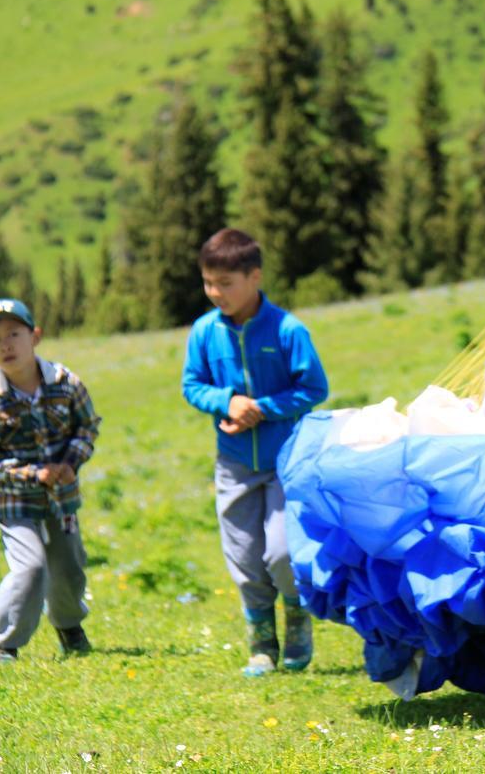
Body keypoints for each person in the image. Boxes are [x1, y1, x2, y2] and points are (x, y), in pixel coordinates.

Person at [182, 228, 329, 677]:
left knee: (283, 555)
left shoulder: (288, 329)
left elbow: (314, 387)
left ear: (255, 276)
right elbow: (192, 385)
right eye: (209, 283)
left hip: (286, 459)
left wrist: (262, 409)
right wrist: (225, 402)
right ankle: (261, 643)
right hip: (234, 465)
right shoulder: (205, 332)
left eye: (225, 283)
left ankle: (297, 618)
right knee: (245, 559)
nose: (215, 293)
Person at [0, 298, 101, 663]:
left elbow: (88, 426)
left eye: (14, 334)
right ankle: (3, 644)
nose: (6, 344)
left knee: (69, 567)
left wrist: (71, 461)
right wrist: (33, 474)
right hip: (12, 500)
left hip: (62, 495)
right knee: (31, 567)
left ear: (35, 336)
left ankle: (69, 627)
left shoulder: (66, 383)